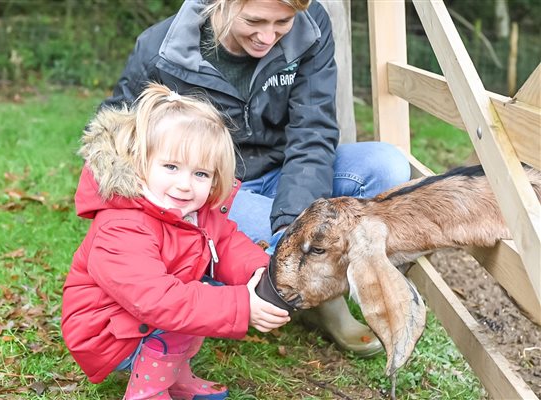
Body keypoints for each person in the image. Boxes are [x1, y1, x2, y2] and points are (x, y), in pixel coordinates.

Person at [102, 0, 411, 357]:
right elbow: (114, 137)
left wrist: (294, 226)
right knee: (267, 244)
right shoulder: (162, 48)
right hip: (215, 191)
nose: (268, 36)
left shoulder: (310, 27)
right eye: (254, 20)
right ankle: (240, 282)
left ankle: (322, 293)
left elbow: (312, 130)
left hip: (285, 170)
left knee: (386, 166)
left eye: (283, 21)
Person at [61, 82, 291, 399]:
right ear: (140, 164)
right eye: (171, 167)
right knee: (195, 304)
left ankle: (176, 376)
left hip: (140, 316)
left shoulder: (193, 211)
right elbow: (158, 301)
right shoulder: (121, 227)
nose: (185, 185)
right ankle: (147, 391)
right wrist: (241, 306)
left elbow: (225, 243)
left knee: (204, 297)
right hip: (106, 332)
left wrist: (260, 273)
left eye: (201, 174)